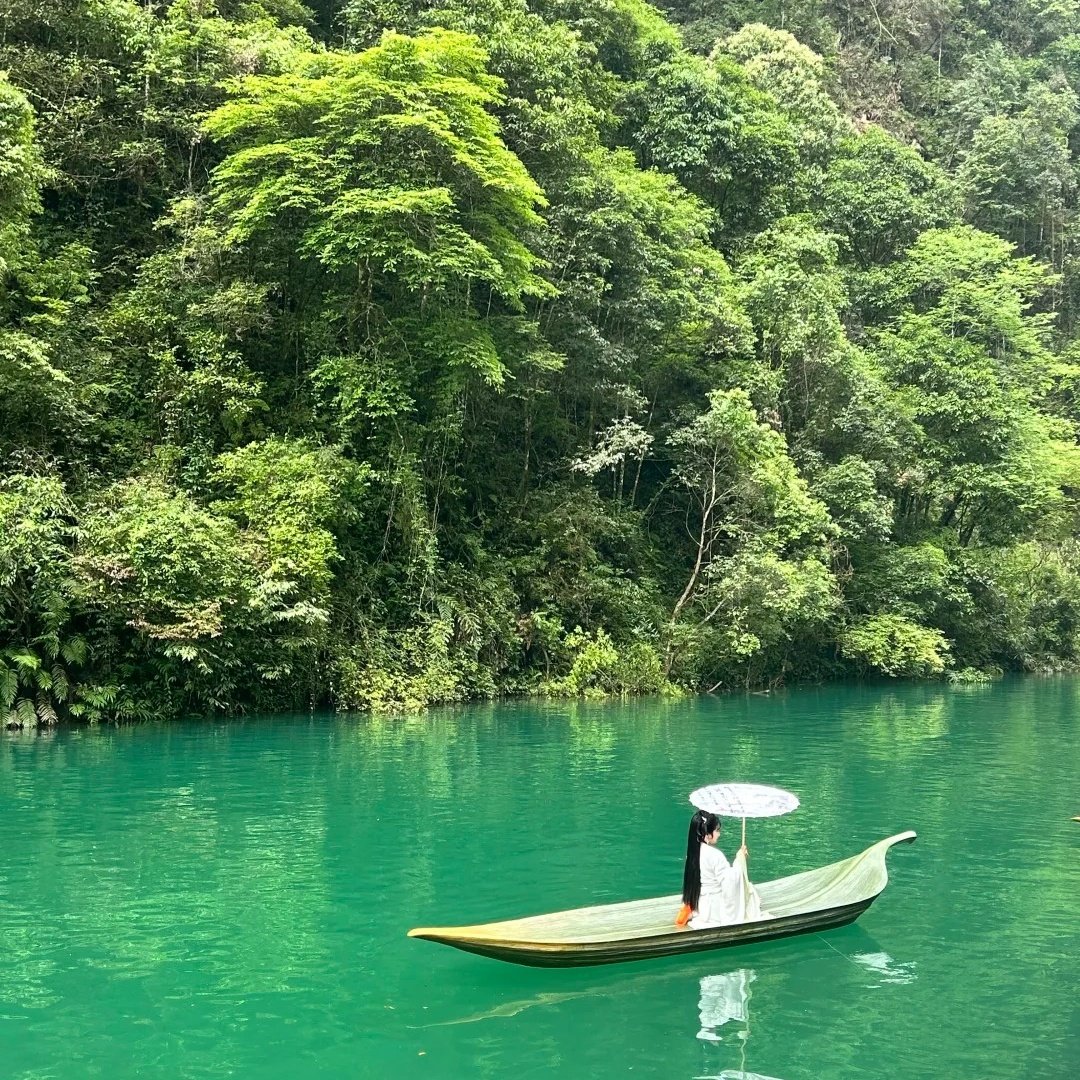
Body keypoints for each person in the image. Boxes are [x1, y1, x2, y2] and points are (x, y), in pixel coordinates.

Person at [678, 809, 770, 929]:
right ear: (707, 834)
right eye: (716, 830)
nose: (719, 834)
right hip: (715, 910)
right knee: (751, 893)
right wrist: (739, 859)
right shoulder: (714, 855)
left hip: (701, 906)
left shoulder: (692, 854)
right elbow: (730, 883)